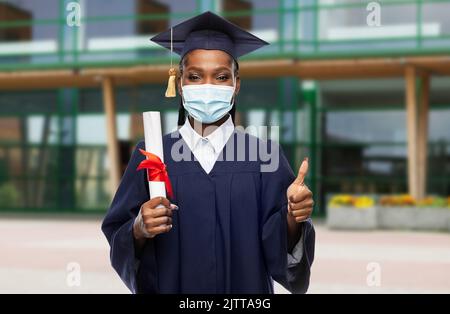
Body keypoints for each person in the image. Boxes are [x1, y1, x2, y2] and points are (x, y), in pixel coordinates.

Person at [101, 11, 315, 294]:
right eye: (194, 76)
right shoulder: (151, 153)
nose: (207, 87)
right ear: (179, 84)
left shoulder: (265, 156)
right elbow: (119, 229)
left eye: (221, 77)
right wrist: (139, 228)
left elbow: (282, 247)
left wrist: (292, 216)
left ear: (236, 85)